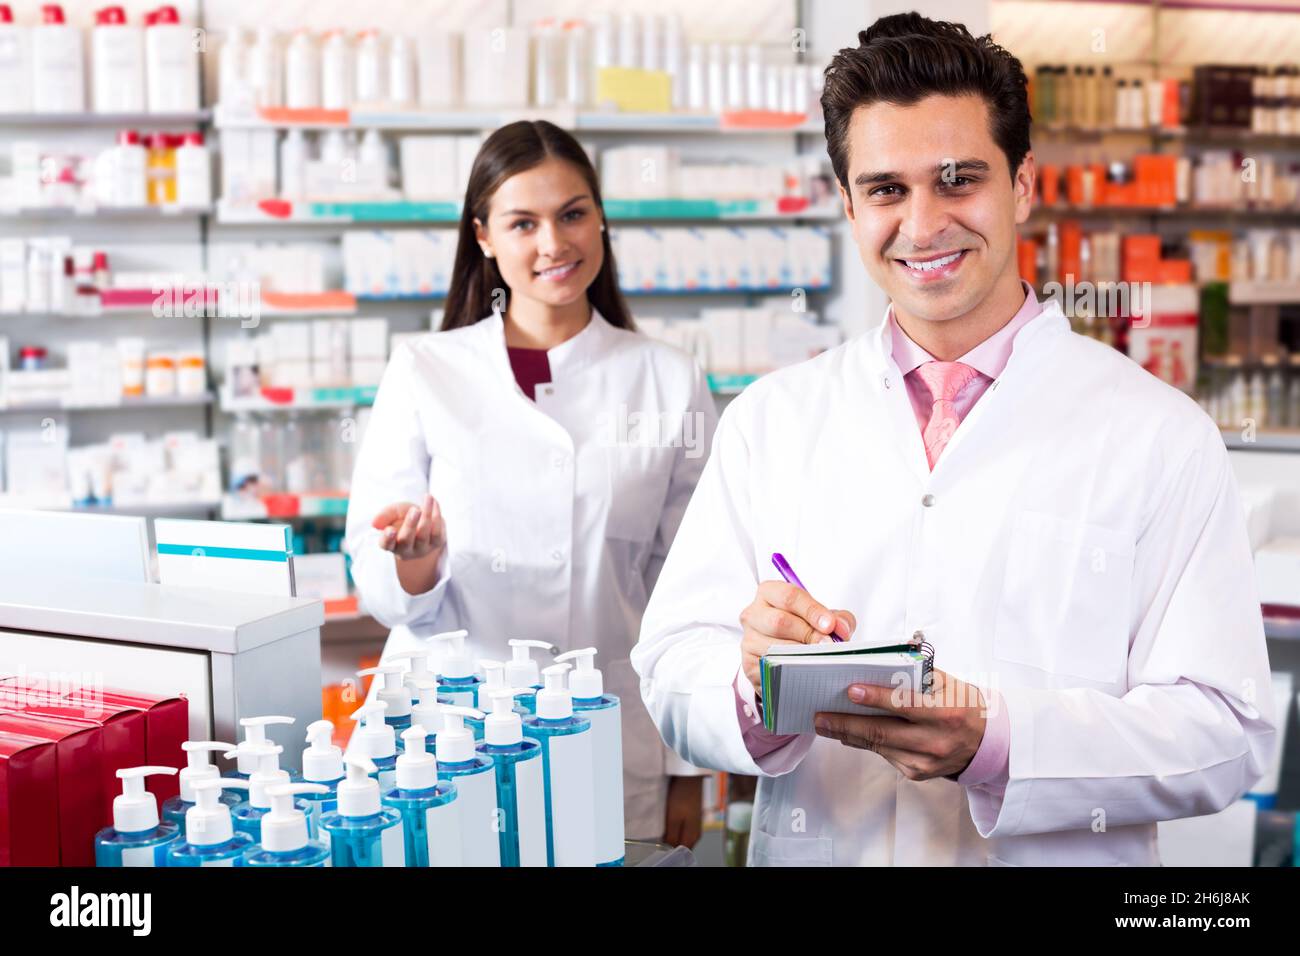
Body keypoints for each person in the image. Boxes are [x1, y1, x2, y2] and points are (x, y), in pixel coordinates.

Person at [632, 13, 1274, 866]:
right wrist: (752, 684)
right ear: (850, 205)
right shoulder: (772, 421)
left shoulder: (1159, 436)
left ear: (1023, 185)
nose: (924, 224)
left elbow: (1226, 734)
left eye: (958, 180)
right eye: (887, 190)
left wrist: (1000, 742)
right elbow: (671, 663)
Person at [345, 120, 717, 846]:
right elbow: (376, 578)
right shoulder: (425, 371)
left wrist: (688, 767)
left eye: (573, 214)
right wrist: (413, 564)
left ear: (601, 219)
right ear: (484, 236)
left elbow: (693, 591)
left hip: (609, 742)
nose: (554, 243)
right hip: (447, 741)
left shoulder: (668, 379)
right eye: (524, 222)